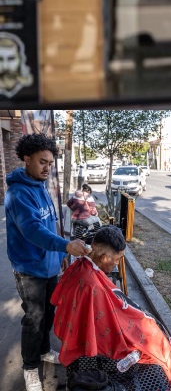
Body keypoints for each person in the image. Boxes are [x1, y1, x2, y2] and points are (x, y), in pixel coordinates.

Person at [5, 133, 91, 391]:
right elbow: (32, 230)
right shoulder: (18, 193)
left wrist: (61, 255)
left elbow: (51, 223)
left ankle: (43, 351)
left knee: (49, 313)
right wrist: (65, 246)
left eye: (50, 163)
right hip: (29, 269)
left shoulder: (40, 186)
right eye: (42, 162)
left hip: (50, 265)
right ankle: (30, 368)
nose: (47, 168)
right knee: (34, 319)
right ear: (27, 158)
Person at [52, 226, 171, 391]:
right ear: (104, 257)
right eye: (117, 259)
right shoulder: (92, 286)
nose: (117, 263)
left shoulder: (82, 266)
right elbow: (104, 326)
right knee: (156, 341)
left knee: (152, 326)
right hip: (117, 329)